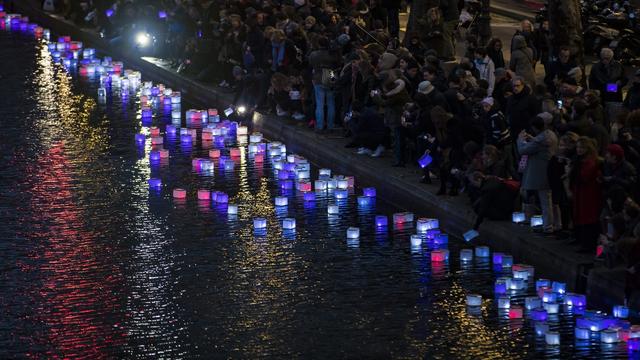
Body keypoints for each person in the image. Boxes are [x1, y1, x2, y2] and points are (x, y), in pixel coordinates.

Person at [517, 115, 559, 233]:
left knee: (545, 200)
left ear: (535, 128)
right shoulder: (550, 134)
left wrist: (520, 140)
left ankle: (548, 227)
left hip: (541, 172)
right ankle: (555, 224)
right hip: (548, 171)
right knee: (550, 200)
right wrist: (532, 138)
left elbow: (523, 150)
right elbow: (538, 141)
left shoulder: (541, 140)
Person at [569, 136, 603, 252]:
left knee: (588, 217)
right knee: (581, 215)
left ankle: (588, 244)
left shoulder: (589, 162)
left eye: (582, 148)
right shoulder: (581, 160)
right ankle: (581, 240)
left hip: (588, 193)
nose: (579, 150)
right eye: (578, 147)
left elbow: (585, 177)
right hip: (581, 191)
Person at [308, 36, 339, 132]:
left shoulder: (314, 54)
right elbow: (337, 63)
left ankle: (320, 126)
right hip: (331, 74)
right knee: (331, 103)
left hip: (318, 76)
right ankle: (330, 126)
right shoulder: (332, 54)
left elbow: (310, 63)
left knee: (320, 104)